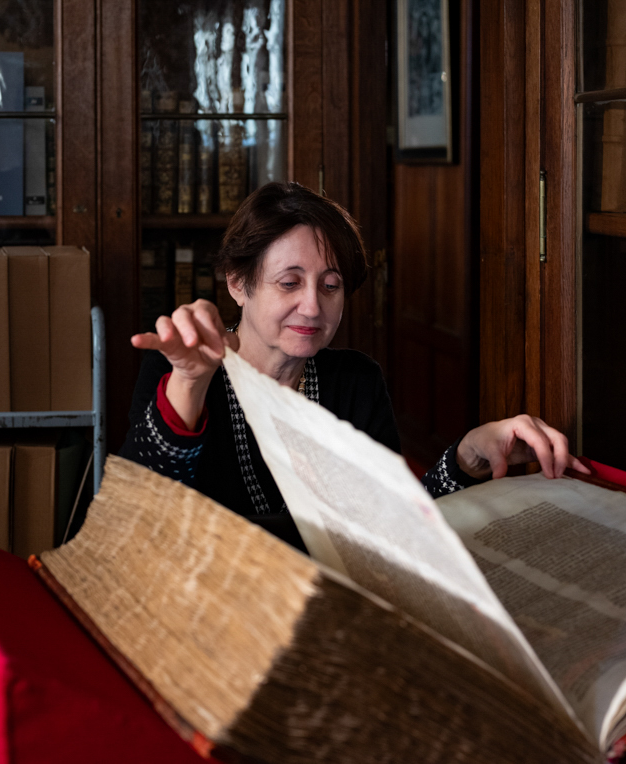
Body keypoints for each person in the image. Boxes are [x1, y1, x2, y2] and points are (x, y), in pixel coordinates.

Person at [123, 182, 588, 545]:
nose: (312, 306)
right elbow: (140, 514)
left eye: (330, 286)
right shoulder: (177, 371)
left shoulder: (354, 381)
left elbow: (398, 525)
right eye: (289, 283)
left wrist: (468, 455)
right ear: (238, 284)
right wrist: (188, 382)